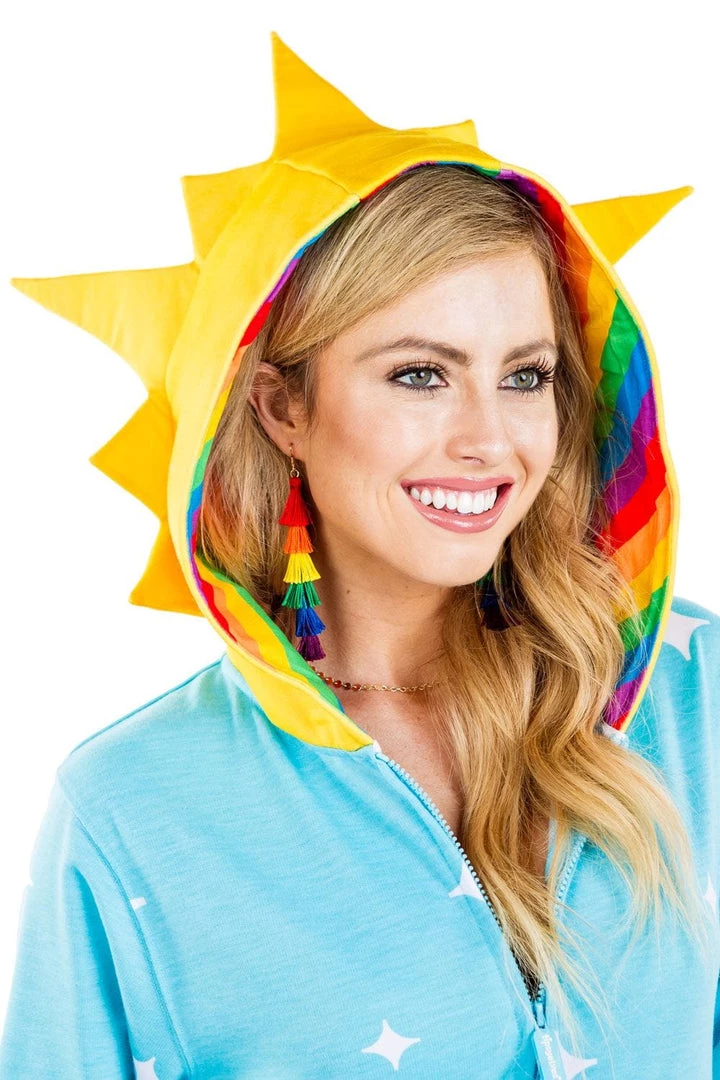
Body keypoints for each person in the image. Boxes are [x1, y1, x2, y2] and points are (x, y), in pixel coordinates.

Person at [1, 30, 719, 1080]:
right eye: (421, 375)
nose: (490, 440)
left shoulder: (689, 696)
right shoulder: (134, 808)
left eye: (525, 376)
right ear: (281, 406)